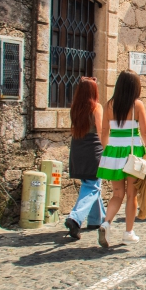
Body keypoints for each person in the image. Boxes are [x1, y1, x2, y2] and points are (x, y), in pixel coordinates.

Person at [96, 70, 146, 247]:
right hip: (132, 153)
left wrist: (107, 150)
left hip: (114, 153)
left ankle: (106, 223)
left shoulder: (109, 105)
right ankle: (128, 233)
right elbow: (145, 133)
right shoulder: (137, 105)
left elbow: (105, 132)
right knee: (132, 194)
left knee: (117, 194)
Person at [65, 77, 105, 240]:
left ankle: (97, 220)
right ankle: (75, 218)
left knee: (91, 184)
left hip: (78, 149)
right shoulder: (96, 107)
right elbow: (101, 132)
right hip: (93, 150)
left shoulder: (74, 108)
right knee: (93, 185)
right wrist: (107, 150)